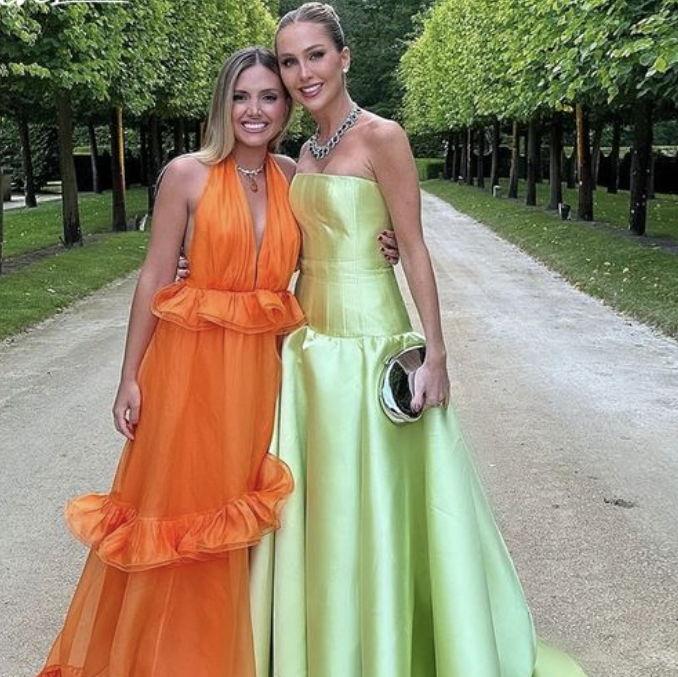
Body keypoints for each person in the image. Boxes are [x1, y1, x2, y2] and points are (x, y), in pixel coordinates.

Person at [245, 4, 588, 676]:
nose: (303, 72)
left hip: (371, 341)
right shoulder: (301, 155)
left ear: (344, 57)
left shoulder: (383, 137)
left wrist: (436, 353)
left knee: (380, 506)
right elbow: (283, 248)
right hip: (309, 350)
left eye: (315, 55)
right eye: (289, 61)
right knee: (323, 511)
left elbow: (417, 246)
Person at [36, 47, 305, 677]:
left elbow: (329, 250)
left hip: (260, 375)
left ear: (286, 106)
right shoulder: (186, 174)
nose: (254, 110)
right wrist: (129, 377)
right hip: (186, 370)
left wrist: (384, 242)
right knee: (178, 513)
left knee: (237, 515)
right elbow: (154, 276)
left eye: (269, 96)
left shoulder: (295, 176)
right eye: (241, 97)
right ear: (222, 104)